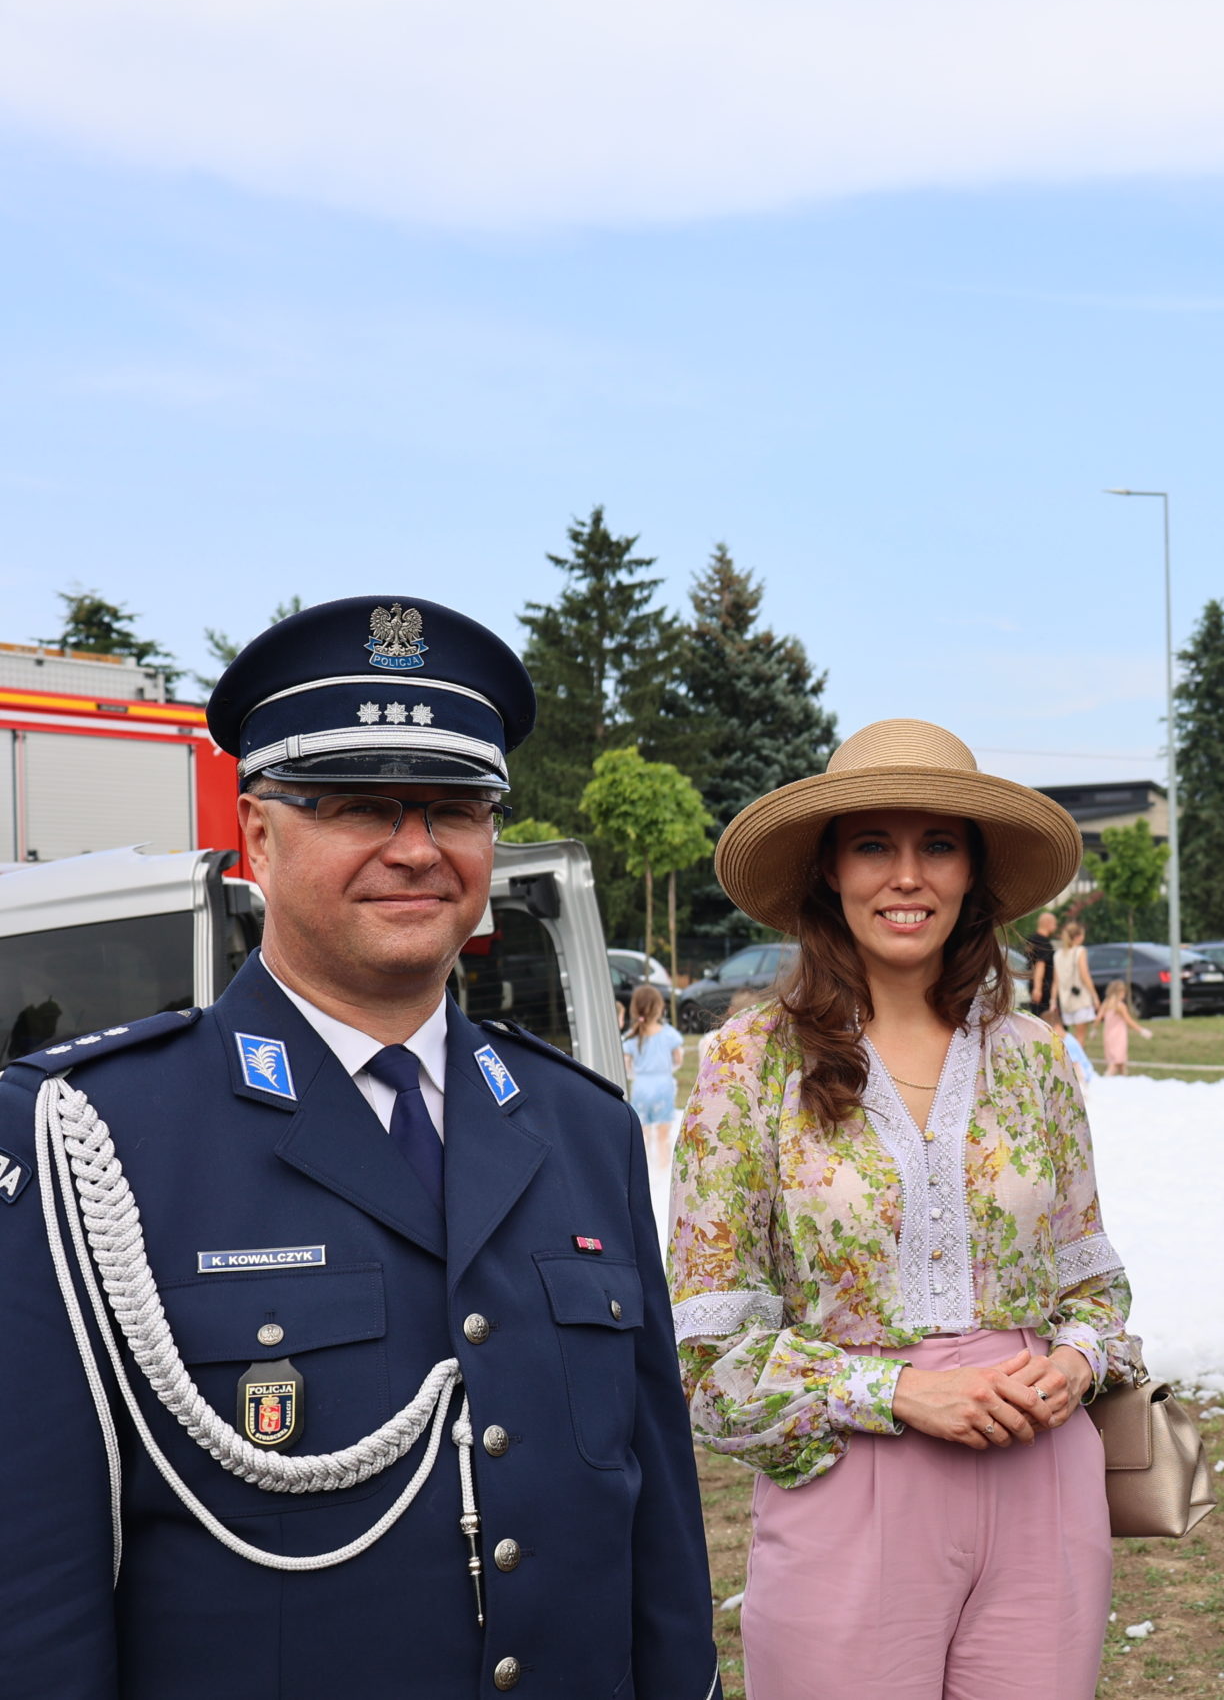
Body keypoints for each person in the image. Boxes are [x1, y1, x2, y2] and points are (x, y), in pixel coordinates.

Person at [0, 596, 721, 1697]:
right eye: (361, 806)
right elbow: (37, 1594)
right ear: (258, 836)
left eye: (455, 809)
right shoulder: (94, 1138)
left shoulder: (584, 1126)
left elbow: (659, 1528)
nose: (416, 849)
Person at [667, 717, 1140, 1700]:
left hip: (1043, 1480)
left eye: (939, 846)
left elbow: (1095, 1294)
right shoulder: (746, 1065)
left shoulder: (1038, 1058)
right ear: (829, 869)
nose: (908, 877)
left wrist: (1071, 1365)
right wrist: (898, 1392)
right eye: (874, 845)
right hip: (851, 1485)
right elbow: (707, 1360)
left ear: (974, 872)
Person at [624, 982, 682, 1174]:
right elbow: (678, 1059)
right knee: (663, 1134)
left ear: (634, 1009)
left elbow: (627, 1065)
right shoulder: (669, 1034)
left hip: (641, 1086)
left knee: (642, 1133)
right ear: (659, 1008)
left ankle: (646, 1168)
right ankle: (663, 1167)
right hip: (663, 1085)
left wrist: (636, 1073)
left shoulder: (631, 1036)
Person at [1053, 919, 1099, 1034]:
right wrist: (1094, 995)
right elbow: (1084, 975)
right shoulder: (1080, 951)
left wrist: (1053, 1000)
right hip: (1080, 998)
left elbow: (1056, 981)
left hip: (1065, 1000)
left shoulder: (1057, 954)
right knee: (1081, 1035)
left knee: (1072, 1034)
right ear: (1078, 936)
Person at [1098, 979, 1152, 1076]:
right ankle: (1108, 1077)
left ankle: (1124, 1077)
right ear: (1120, 992)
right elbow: (1129, 1021)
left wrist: (1094, 1029)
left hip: (1108, 1035)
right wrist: (1142, 1030)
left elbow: (1098, 1018)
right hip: (1119, 1036)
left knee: (1119, 1061)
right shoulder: (1120, 1006)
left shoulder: (1106, 1003)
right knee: (1117, 1060)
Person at [1025, 908, 1060, 1018]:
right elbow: (1040, 964)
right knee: (1043, 1017)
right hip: (1043, 987)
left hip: (1032, 983)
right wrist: (1038, 988)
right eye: (1055, 924)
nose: (1056, 927)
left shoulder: (1031, 939)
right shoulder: (1043, 942)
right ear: (1048, 923)